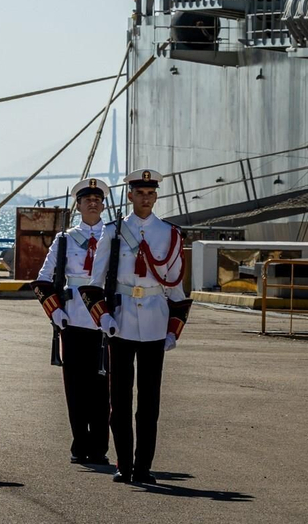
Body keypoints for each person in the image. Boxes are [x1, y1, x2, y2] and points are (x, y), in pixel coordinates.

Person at [87, 169, 191, 485]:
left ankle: (144, 466)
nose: (145, 198)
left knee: (149, 401)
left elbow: (177, 291)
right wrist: (103, 318)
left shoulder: (170, 234)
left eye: (150, 193)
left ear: (156, 196)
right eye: (139, 193)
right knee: (119, 400)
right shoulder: (113, 232)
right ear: (130, 196)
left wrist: (174, 330)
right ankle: (124, 463)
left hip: (155, 323)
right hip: (121, 322)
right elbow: (93, 283)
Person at [33, 177, 111, 465]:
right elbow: (43, 280)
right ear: (77, 205)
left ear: (103, 205)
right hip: (74, 319)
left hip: (105, 320)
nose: (93, 203)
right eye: (86, 199)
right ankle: (80, 442)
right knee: (76, 385)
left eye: (97, 199)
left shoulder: (115, 236)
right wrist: (56, 313)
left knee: (103, 387)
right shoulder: (65, 239)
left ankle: (100, 446)